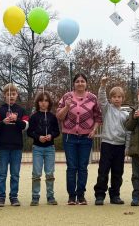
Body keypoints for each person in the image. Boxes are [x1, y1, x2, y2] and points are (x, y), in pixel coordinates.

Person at [56, 74, 102, 205]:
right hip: (69, 137)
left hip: (86, 137)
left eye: (82, 81)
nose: (80, 83)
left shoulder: (92, 98)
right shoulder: (66, 97)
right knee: (71, 167)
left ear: (86, 83)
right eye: (77, 81)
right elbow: (59, 116)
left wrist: (94, 130)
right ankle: (71, 196)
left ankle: (81, 195)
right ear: (74, 84)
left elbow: (98, 117)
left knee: (82, 167)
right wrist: (67, 107)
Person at [0, 83, 29, 207]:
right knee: (2, 174)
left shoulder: (21, 110)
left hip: (17, 147)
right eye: (8, 94)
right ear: (4, 96)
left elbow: (25, 126)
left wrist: (16, 120)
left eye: (13, 94)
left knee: (15, 174)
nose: (11, 96)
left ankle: (14, 197)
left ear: (17, 95)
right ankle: (1, 197)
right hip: (3, 147)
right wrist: (3, 122)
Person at [93, 78, 128, 206]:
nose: (117, 99)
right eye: (114, 97)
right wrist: (102, 85)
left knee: (118, 172)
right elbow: (101, 99)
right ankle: (100, 195)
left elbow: (128, 132)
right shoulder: (107, 109)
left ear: (122, 98)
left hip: (120, 146)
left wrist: (127, 147)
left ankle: (115, 195)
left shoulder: (126, 114)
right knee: (103, 171)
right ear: (111, 98)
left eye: (119, 97)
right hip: (107, 144)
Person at [26, 91, 60, 206]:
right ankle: (35, 197)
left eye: (46, 100)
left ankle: (50, 196)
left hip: (50, 148)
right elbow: (29, 132)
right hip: (37, 148)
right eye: (41, 100)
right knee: (36, 173)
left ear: (49, 102)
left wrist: (51, 136)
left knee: (50, 173)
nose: (43, 103)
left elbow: (57, 132)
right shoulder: (34, 117)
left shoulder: (53, 117)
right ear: (38, 102)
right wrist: (38, 137)